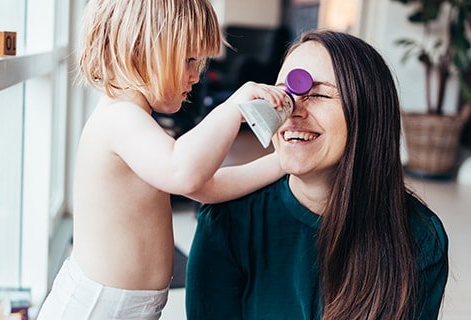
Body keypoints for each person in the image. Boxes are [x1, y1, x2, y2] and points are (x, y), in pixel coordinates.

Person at [37, 0, 288, 319]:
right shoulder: (120, 118)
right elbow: (183, 171)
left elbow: (204, 185)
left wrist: (280, 163)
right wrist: (232, 108)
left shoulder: (138, 123)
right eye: (189, 60)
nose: (196, 76)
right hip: (95, 310)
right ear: (143, 48)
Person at [186, 30, 449, 320]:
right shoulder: (228, 221)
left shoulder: (419, 237)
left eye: (319, 94)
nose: (292, 111)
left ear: (368, 111)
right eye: (283, 94)